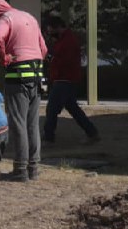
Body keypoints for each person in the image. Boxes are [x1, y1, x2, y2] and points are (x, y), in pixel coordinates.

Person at [0, 0, 48, 181]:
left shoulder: (6, 19)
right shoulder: (29, 17)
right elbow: (43, 49)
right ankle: (33, 169)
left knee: (18, 124)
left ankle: (20, 170)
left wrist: (4, 59)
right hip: (36, 77)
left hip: (17, 79)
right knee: (32, 124)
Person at [43, 14, 100, 144]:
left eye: (50, 30)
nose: (49, 33)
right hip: (65, 79)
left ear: (56, 27)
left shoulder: (68, 41)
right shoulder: (63, 40)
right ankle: (92, 133)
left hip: (65, 80)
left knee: (52, 108)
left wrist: (50, 59)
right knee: (73, 109)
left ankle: (49, 137)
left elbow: (64, 61)